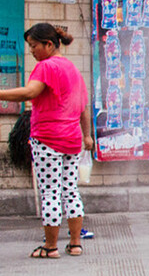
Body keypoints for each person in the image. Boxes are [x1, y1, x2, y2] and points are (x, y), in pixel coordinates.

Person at [0, 23, 93, 258]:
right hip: (72, 140)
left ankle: (50, 247)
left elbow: (29, 93)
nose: (31, 51)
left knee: (50, 192)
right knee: (70, 191)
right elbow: (84, 106)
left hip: (49, 139)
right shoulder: (72, 68)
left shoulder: (46, 66)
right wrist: (87, 135)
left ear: (48, 45)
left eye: (33, 46)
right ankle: (74, 244)